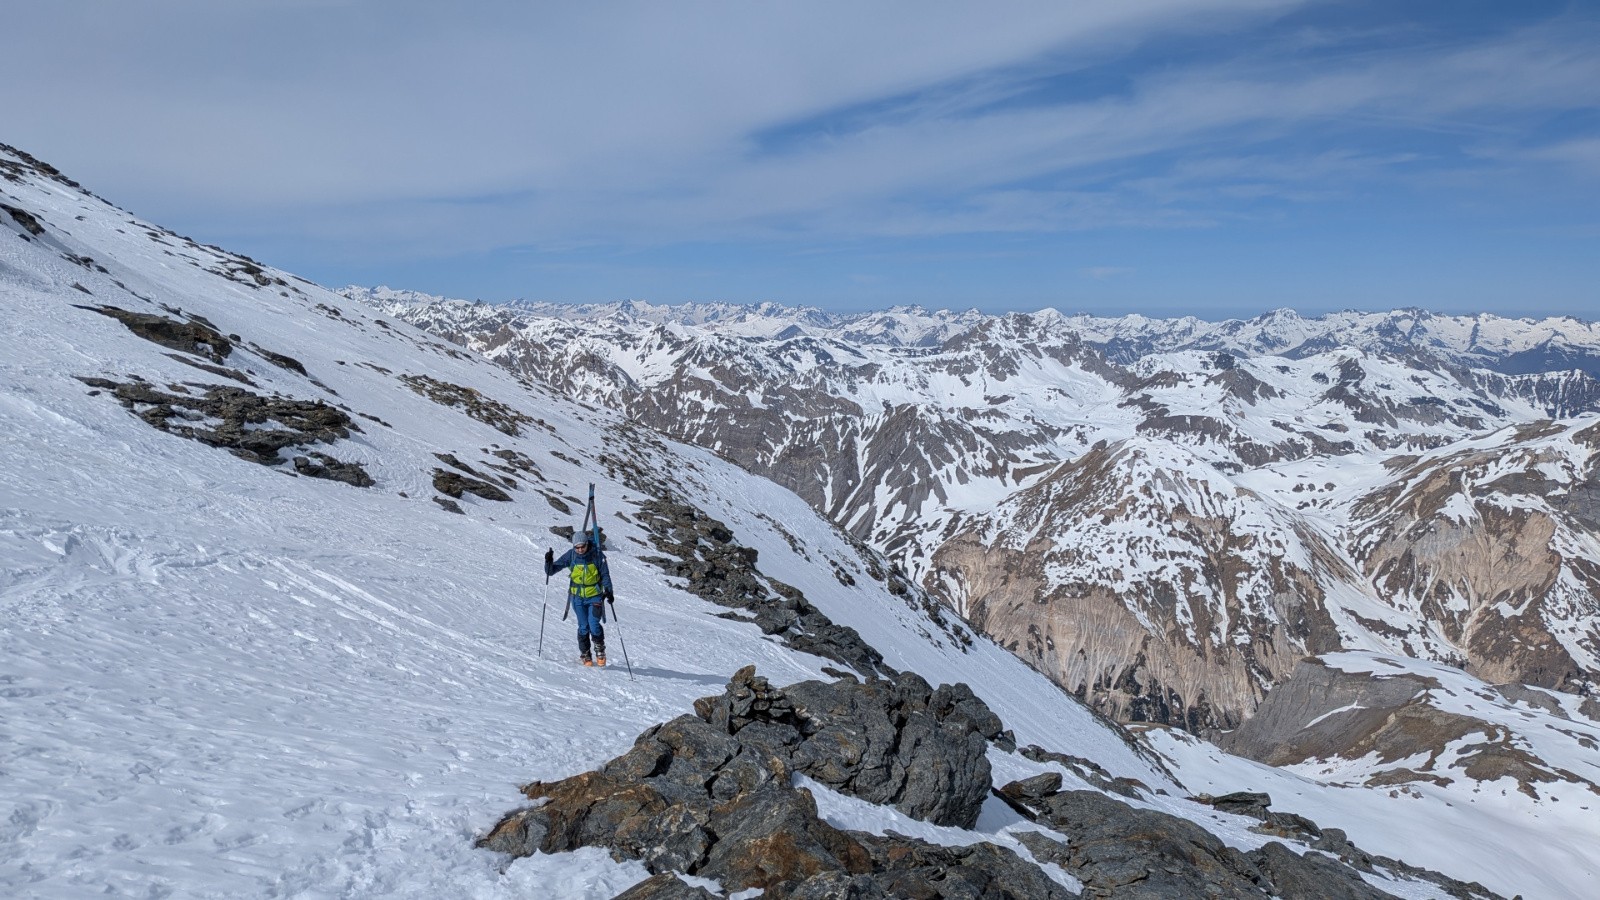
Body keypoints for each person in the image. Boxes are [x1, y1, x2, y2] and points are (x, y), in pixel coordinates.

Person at [545, 530, 614, 666]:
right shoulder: (571, 556)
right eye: (577, 547)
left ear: (587, 544)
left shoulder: (597, 555)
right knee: (583, 626)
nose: (580, 549)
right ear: (574, 547)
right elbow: (551, 571)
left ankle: (600, 650)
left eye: (583, 546)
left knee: (594, 625)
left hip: (594, 596)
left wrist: (609, 592)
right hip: (577, 598)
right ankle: (585, 653)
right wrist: (548, 561)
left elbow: (605, 575)